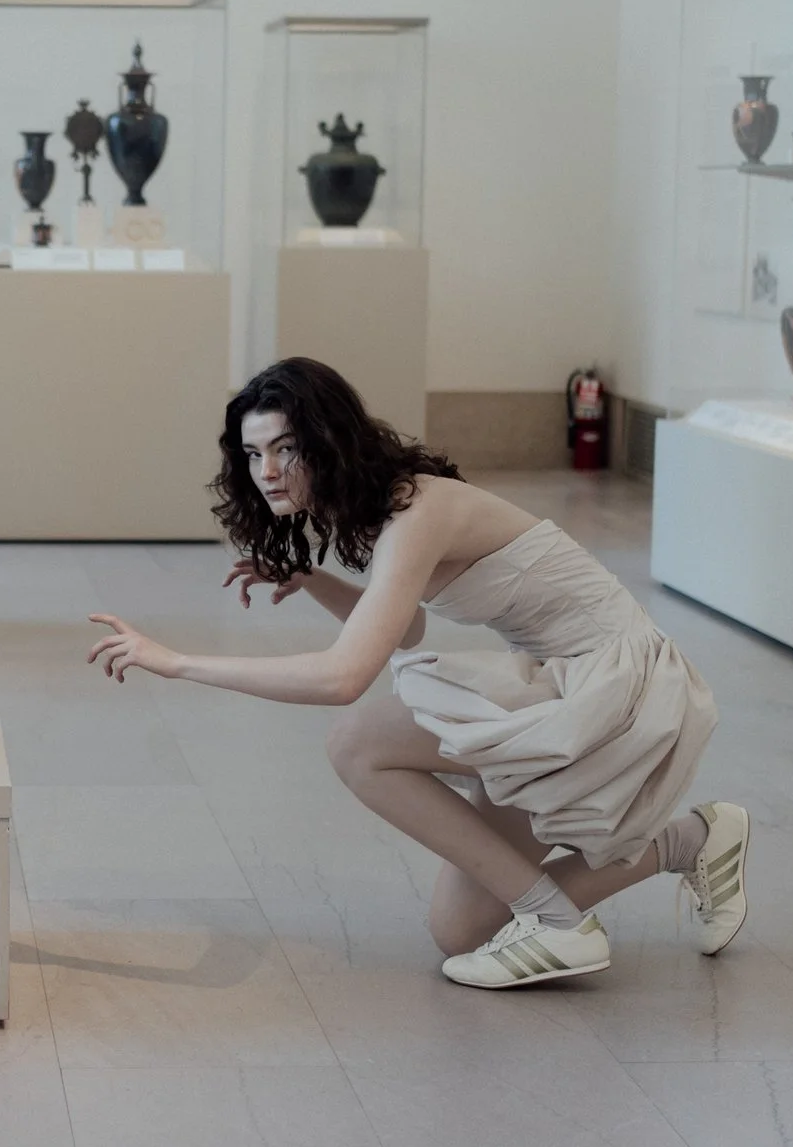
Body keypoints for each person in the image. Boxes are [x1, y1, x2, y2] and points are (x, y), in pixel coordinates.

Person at [86, 358, 746, 988]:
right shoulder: (378, 510)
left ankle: (559, 924)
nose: (269, 472)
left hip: (614, 687)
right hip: (566, 678)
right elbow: (408, 629)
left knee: (357, 743)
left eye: (287, 449)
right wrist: (312, 579)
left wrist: (176, 662)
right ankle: (692, 841)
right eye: (254, 454)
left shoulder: (418, 512)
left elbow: (342, 679)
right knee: (461, 931)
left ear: (329, 441)